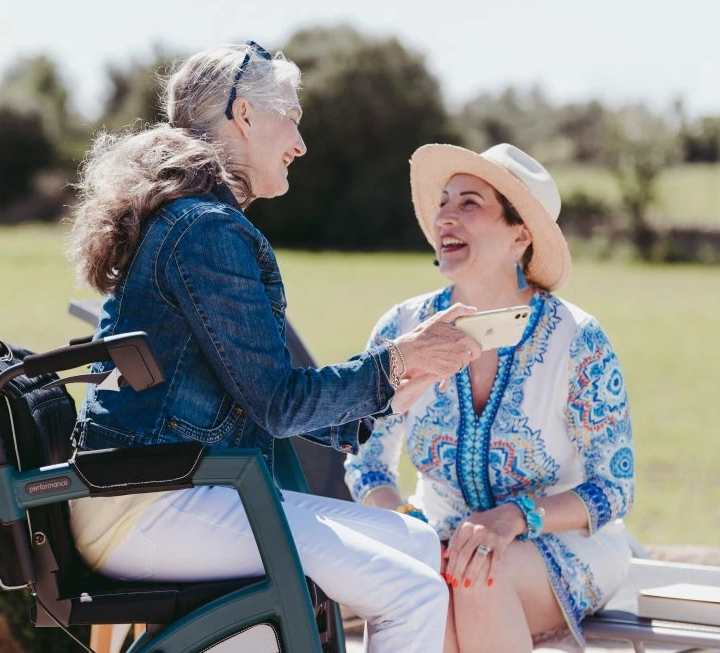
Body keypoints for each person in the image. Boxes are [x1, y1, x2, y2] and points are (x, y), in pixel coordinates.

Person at [66, 42, 483, 653]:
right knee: (415, 591)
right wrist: (395, 361)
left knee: (416, 544)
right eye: (291, 114)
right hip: (151, 507)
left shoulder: (187, 219)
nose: (301, 142)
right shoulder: (204, 229)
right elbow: (279, 403)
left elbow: (260, 395)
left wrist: (391, 388)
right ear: (243, 115)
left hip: (169, 491)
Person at [345, 142, 635, 652]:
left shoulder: (578, 338)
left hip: (560, 544)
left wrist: (513, 518)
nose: (445, 217)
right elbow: (366, 460)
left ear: (519, 234)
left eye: (469, 203)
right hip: (435, 541)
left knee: (479, 574)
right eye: (443, 202)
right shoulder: (403, 327)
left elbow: (614, 488)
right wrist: (408, 524)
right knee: (427, 575)